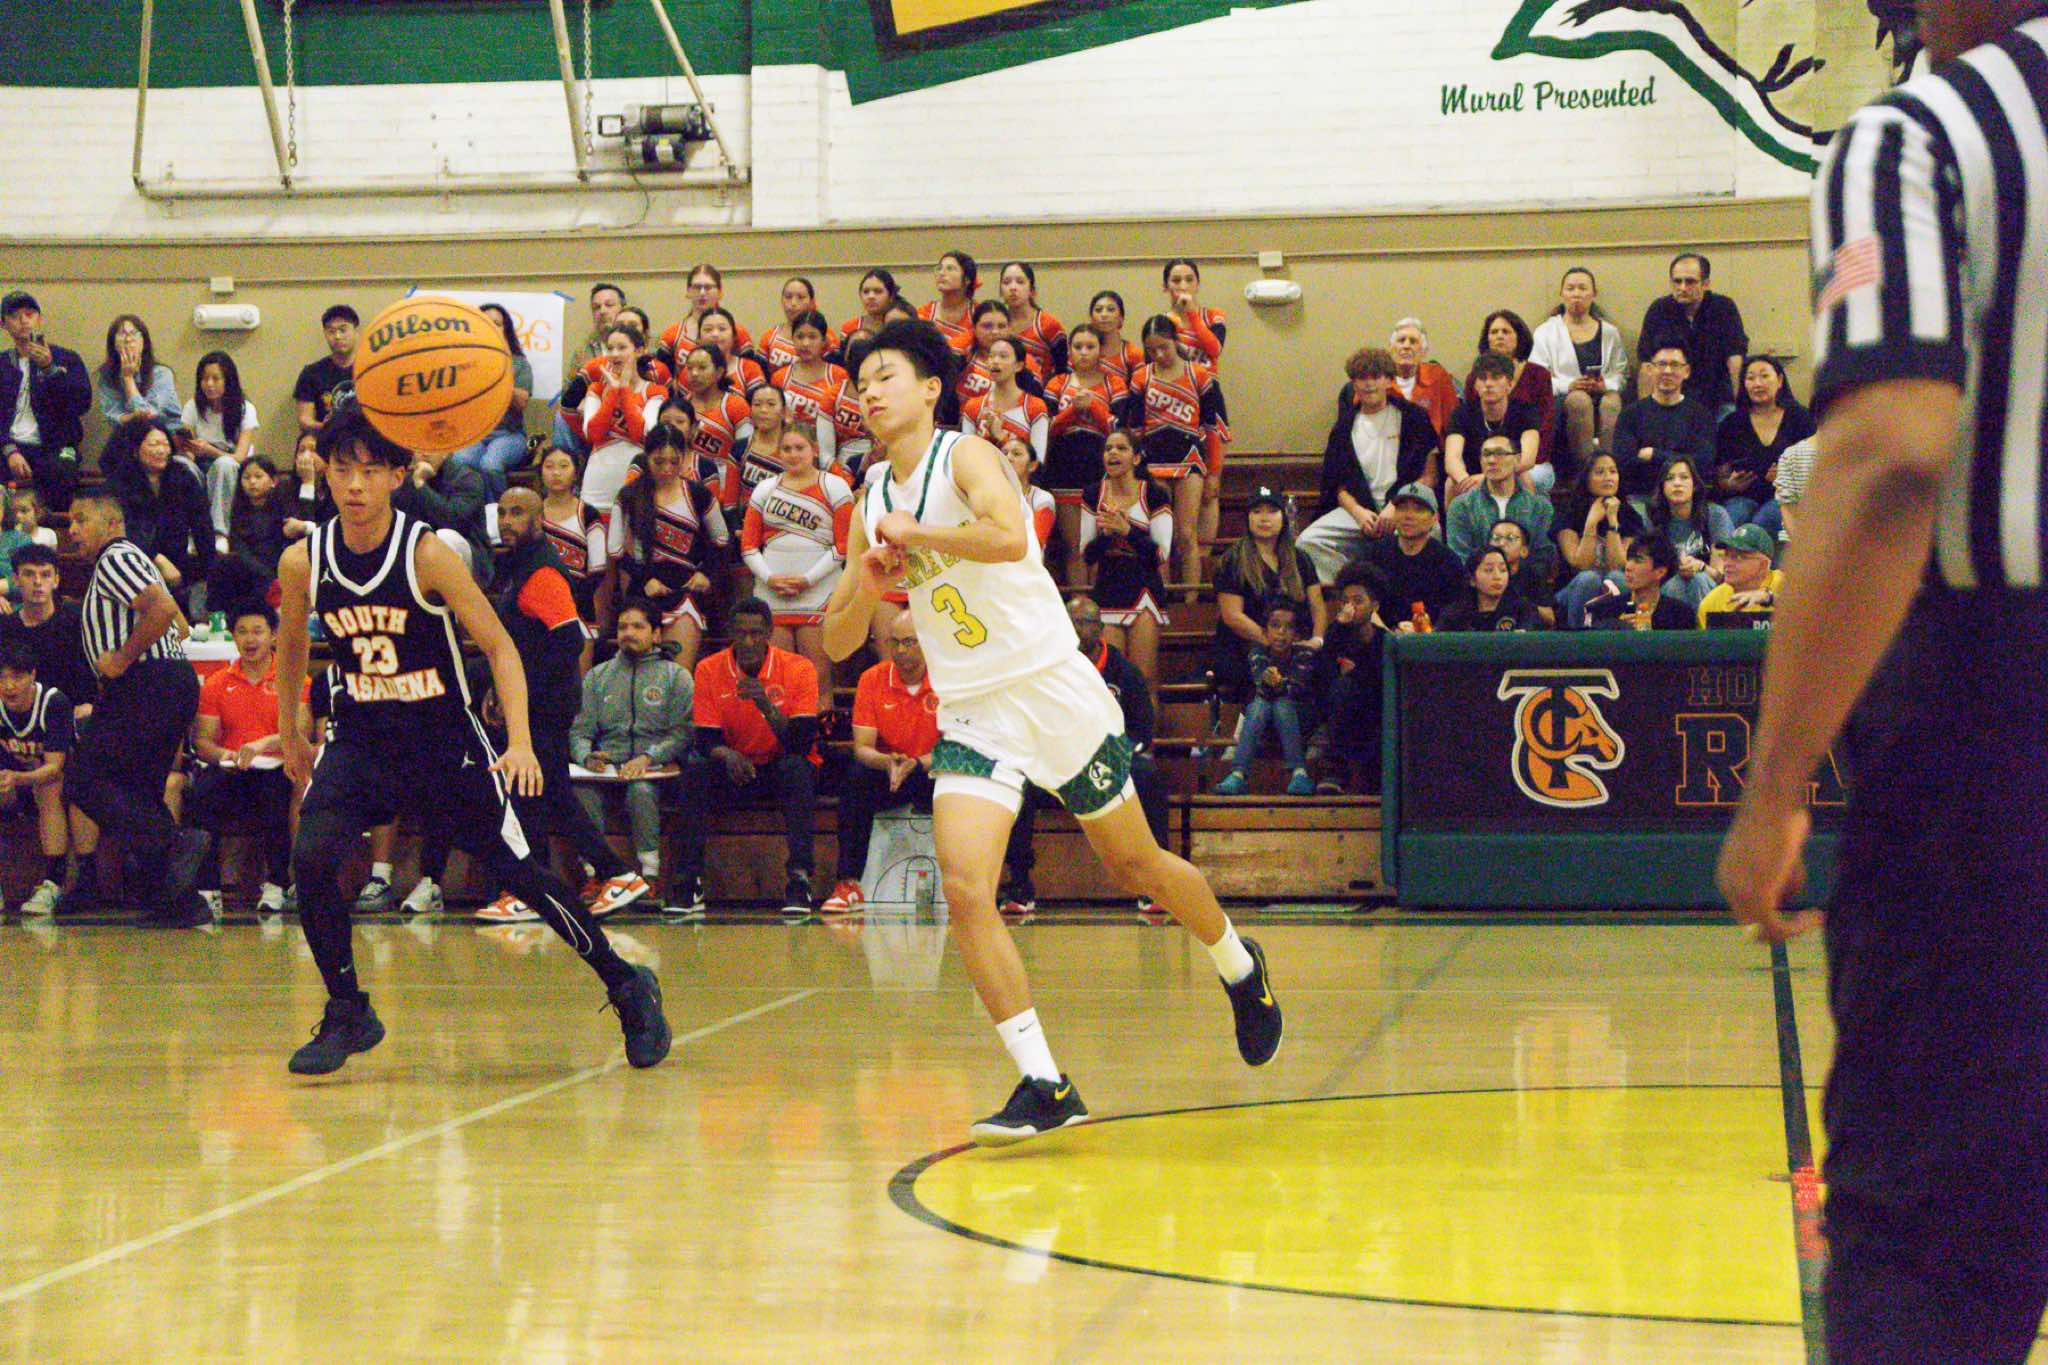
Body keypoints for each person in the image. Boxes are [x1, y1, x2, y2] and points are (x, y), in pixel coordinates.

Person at [1720, 11, 2048, 1359]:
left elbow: (1890, 458)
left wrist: (1775, 785)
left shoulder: (1920, 136)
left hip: (1997, 736)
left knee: (1930, 1256)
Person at [821, 319, 1282, 1144]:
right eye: (861, 383)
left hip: (1049, 686)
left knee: (1134, 863)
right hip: (973, 708)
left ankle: (1239, 964)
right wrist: (865, 574)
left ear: (930, 389)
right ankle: (1044, 1080)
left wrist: (921, 537)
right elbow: (835, 640)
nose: (871, 391)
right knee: (966, 886)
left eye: (886, 375)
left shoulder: (964, 456)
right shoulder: (870, 498)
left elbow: (1009, 538)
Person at [274, 403, 669, 1075]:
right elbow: (289, 647)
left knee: (521, 874)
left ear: (397, 474)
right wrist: (290, 730)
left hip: (441, 743)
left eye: (370, 470)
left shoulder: (427, 553)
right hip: (360, 738)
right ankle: (347, 1009)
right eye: (342, 469)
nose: (355, 484)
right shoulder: (302, 560)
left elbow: (501, 647)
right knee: (310, 858)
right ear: (325, 473)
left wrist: (519, 742)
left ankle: (628, 984)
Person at [463, 488, 652, 923]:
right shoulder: (517, 568)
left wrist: (518, 691)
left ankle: (604, 875)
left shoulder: (543, 572)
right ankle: (559, 887)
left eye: (517, 513)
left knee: (543, 792)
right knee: (538, 793)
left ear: (538, 520)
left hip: (546, 705)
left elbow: (569, 640)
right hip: (532, 702)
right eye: (502, 512)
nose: (507, 521)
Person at [61, 494, 206, 925]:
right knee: (138, 792)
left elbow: (161, 610)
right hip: (162, 682)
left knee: (84, 780)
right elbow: (179, 623)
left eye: (81, 520)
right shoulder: (133, 560)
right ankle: (180, 901)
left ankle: (175, 842)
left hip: (145, 683)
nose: (72, 530)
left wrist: (122, 659)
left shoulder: (115, 557)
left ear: (111, 523)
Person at [672, 597, 820, 916]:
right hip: (734, 768)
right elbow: (706, 740)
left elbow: (800, 743)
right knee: (695, 770)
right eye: (742, 634)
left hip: (778, 767)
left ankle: (799, 879)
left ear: (769, 633)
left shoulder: (799, 668)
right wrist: (727, 755)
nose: (749, 642)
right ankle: (689, 881)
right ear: (730, 633)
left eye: (756, 634)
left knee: (797, 769)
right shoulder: (708, 669)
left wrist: (765, 705)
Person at [571, 598, 693, 901]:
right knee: (581, 792)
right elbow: (580, 731)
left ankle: (649, 875)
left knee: (640, 790)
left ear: (656, 634)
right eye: (623, 627)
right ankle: (594, 875)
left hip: (655, 771)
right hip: (606, 770)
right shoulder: (597, 676)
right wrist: (587, 755)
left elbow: (682, 733)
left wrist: (649, 757)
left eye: (638, 627)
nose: (628, 633)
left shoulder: (676, 677)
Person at [823, 609, 941, 917]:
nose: (901, 650)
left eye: (909, 642)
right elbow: (863, 748)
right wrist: (889, 762)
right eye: (895, 642)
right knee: (855, 778)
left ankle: (980, 889)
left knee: (969, 778)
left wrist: (918, 763)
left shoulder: (948, 678)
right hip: (890, 771)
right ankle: (848, 885)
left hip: (932, 770)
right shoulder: (872, 679)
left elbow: (957, 748)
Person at [185, 602, 293, 918]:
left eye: (258, 631)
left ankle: (277, 883)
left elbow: (297, 733)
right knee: (199, 794)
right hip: (233, 769)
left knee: (276, 794)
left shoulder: (291, 678)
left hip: (277, 767)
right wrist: (226, 755)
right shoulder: (218, 682)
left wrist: (262, 746)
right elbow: (203, 742)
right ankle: (207, 889)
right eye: (242, 631)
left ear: (273, 636)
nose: (250, 639)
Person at [1298, 345, 1440, 583]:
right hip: (1359, 511)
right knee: (1307, 542)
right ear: (1353, 383)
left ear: (1389, 380)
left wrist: (1397, 506)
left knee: (1432, 532)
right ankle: (1358, 583)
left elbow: (1429, 476)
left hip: (1404, 505)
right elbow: (1338, 486)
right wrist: (1358, 513)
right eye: (1362, 378)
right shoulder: (1343, 428)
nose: (1369, 384)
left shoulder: (1413, 417)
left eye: (1376, 376)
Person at [741, 423, 853, 706]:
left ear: (814, 449)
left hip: (819, 592)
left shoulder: (835, 486)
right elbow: (749, 547)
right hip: (772, 593)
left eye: (799, 448)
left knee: (818, 675)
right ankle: (783, 734)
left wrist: (808, 579)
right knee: (778, 678)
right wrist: (769, 578)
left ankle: (819, 733)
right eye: (787, 449)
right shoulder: (765, 489)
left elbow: (843, 546)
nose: (793, 454)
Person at [612, 425, 730, 666]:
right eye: (659, 462)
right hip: (644, 592)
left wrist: (706, 573)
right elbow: (615, 550)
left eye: (674, 462)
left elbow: (722, 541)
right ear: (646, 457)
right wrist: (644, 580)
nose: (667, 469)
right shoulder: (628, 496)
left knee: (677, 673)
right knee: (642, 671)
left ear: (684, 458)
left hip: (685, 593)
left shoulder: (698, 495)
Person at [1128, 314, 1229, 591]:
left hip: (1190, 461)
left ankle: (1191, 601)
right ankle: (1162, 597)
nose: (1159, 355)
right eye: (1151, 350)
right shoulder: (1141, 377)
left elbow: (1212, 429)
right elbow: (1134, 429)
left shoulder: (1199, 376)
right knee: (1160, 535)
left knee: (1186, 535)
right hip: (1153, 462)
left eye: (1164, 347)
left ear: (1176, 341)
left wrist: (1214, 473)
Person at [1210, 486, 1326, 709]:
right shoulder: (1232, 560)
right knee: (1262, 688)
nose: (1264, 518)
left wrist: (1317, 640)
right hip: (1245, 648)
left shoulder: (1301, 559)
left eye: (1272, 511)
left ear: (1284, 517)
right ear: (1248, 518)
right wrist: (1272, 642)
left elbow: (1317, 606)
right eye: (1257, 512)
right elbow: (1232, 616)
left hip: (1293, 647)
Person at [1078, 428, 1171, 693]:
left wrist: (1128, 530)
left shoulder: (1155, 494)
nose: (1113, 453)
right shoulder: (1092, 494)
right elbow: (1087, 554)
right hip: (1108, 591)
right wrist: (1108, 535)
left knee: (1143, 681)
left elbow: (1159, 554)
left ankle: (1147, 723)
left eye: (1121, 448)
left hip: (1145, 593)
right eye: (1108, 449)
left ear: (1136, 458)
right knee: (1111, 682)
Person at [1043, 323, 1127, 578]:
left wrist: (1094, 408)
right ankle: (1080, 600)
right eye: (1078, 347)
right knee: (1074, 547)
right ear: (1069, 351)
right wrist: (1072, 411)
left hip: (1101, 469)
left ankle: (1098, 600)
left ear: (1101, 350)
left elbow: (1120, 430)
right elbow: (1045, 429)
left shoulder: (1114, 383)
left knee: (1097, 547)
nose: (1084, 352)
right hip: (1065, 470)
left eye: (1090, 347)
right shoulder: (1057, 383)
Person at [104, 418, 213, 614]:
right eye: (154, 444)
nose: (161, 450)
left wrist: (209, 572)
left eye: (165, 444)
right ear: (136, 449)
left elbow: (202, 526)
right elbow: (124, 529)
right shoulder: (121, 482)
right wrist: (157, 558)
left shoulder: (183, 477)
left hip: (177, 563)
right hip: (136, 564)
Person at [0, 638, 75, 918]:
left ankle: (53, 881)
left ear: (32, 675)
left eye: (17, 677)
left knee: (47, 786)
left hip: (68, 782)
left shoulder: (53, 702)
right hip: (16, 779)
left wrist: (16, 778)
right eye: (2, 679)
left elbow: (55, 767)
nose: (9, 686)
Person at [1212, 602, 1318, 797]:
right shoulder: (1257, 652)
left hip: (1299, 722)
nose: (1281, 632)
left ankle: (1299, 773)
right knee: (1260, 704)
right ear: (1265, 630)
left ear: (1296, 634)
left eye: (1288, 627)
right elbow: (1262, 687)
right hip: (1264, 722)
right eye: (1275, 625)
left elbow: (1294, 689)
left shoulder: (1305, 654)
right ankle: (1238, 775)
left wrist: (1274, 684)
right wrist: (1272, 685)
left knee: (1281, 703)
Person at [1530, 268, 1627, 475]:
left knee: (1612, 401)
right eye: (1570, 288)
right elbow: (1537, 379)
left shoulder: (1610, 332)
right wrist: (1569, 385)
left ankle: (1609, 469)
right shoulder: (1545, 332)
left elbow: (1621, 374)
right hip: (1563, 401)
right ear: (1562, 293)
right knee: (1579, 400)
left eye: (1583, 288)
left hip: (1602, 396)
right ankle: (1587, 472)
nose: (1576, 294)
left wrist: (1605, 385)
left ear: (1594, 293)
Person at [0, 291, 92, 512]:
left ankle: (55, 529)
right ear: (3, 324)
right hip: (9, 445)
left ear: (40, 319)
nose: (23, 320)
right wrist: (9, 449)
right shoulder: (2, 363)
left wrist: (50, 370)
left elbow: (81, 403)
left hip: (55, 447)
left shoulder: (67, 359)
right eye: (15, 316)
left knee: (60, 472)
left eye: (29, 314)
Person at [1307, 559, 1390, 794]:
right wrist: (1339, 628)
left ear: (1374, 606)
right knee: (1343, 688)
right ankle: (1334, 771)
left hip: (1375, 713)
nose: (1350, 607)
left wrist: (1357, 674)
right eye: (1345, 601)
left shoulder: (1384, 640)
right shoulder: (1336, 634)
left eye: (1358, 601)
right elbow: (1321, 676)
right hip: (1341, 711)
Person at [1636, 252, 1749, 414]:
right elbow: (1647, 365)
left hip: (1718, 399)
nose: (1682, 288)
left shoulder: (1724, 308)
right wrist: (1645, 414)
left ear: (1705, 284)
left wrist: (1742, 410)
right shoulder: (1659, 310)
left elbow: (1735, 361)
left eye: (1690, 282)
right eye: (1677, 281)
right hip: (1670, 399)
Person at [1714, 355, 1814, 537]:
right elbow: (1720, 473)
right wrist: (1729, 485)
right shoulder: (1731, 423)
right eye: (1750, 378)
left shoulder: (1800, 418)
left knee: (1765, 520)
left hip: (1784, 497)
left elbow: (1815, 465)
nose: (1757, 384)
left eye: (1764, 376)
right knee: (1733, 516)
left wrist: (1786, 478)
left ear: (1780, 380)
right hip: (1742, 496)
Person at [445, 303, 535, 498]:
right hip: (474, 435)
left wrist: (494, 376)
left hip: (509, 435)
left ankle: (499, 510)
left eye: (497, 323)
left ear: (505, 330)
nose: (491, 328)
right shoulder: (463, 363)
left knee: (490, 465)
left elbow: (521, 402)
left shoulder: (519, 363)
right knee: (459, 461)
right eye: (485, 323)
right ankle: (478, 511)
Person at [579, 320, 666, 516]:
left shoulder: (655, 391)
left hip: (636, 485)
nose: (615, 354)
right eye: (610, 348)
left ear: (639, 351)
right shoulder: (596, 389)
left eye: (622, 347)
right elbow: (592, 434)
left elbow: (642, 434)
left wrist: (624, 389)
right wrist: (612, 393)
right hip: (597, 486)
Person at [1612, 344, 1719, 501]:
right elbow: (1624, 464)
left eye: (1675, 365)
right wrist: (1681, 459)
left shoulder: (1701, 415)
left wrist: (1655, 455)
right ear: (1650, 369)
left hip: (1689, 500)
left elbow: (1703, 464)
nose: (1667, 371)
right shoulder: (1630, 414)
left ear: (1686, 371)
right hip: (1642, 496)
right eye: (1661, 364)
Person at [1552, 452, 1648, 627]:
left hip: (1613, 584)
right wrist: (1591, 522)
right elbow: (1581, 564)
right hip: (1571, 592)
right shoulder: (1568, 511)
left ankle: (1622, 636)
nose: (1608, 477)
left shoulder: (1630, 515)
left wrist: (1612, 521)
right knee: (1589, 579)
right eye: (1600, 472)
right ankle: (1577, 638)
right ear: (1586, 478)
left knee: (1617, 578)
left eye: (1613, 471)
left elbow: (1618, 564)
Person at [1, 544, 94, 716]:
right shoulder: (5, 627)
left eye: (45, 574)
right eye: (29, 574)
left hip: (70, 715)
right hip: (17, 718)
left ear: (56, 580)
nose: (37, 582)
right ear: (15, 580)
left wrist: (89, 705)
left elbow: (90, 677)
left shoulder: (76, 624)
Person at [1466, 310, 1556, 489]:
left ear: (1519, 338)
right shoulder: (1474, 378)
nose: (1499, 336)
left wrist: (1509, 467)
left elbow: (1545, 427)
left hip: (1531, 463)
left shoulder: (1538, 375)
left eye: (1506, 331)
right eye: (1494, 332)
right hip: (1487, 462)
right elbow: (1471, 425)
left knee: (1530, 479)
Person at [392, 425, 492, 581]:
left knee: (445, 537)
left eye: (431, 448)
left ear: (445, 452)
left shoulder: (467, 478)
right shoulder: (408, 480)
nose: (424, 453)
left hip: (470, 557)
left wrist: (421, 485)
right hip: (419, 553)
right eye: (419, 448)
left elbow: (452, 521)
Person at [1446, 435, 1556, 575]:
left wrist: (1515, 578)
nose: (1491, 460)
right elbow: (1459, 557)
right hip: (1476, 584)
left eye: (1500, 453)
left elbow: (1544, 557)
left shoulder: (1540, 506)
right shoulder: (1462, 506)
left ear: (1517, 459)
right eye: (1486, 454)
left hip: (1526, 584)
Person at [1361, 483, 1466, 630]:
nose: (1408, 516)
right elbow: (1363, 600)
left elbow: (1454, 610)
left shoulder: (1448, 561)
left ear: (1435, 518)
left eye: (1418, 510)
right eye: (1402, 508)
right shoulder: (1375, 555)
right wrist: (1386, 633)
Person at [180, 351, 260, 543]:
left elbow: (240, 457)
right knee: (181, 466)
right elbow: (186, 446)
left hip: (231, 464)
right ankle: (190, 533)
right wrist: (189, 451)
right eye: (204, 379)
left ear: (228, 380)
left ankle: (219, 533)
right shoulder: (193, 406)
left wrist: (211, 451)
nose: (209, 384)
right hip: (200, 463)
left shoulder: (245, 409)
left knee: (224, 464)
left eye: (215, 379)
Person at [1442, 353, 1541, 501]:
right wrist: (1465, 480)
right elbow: (1452, 459)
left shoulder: (1525, 411)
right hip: (1471, 475)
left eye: (1495, 377)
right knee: (1451, 483)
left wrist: (1487, 478)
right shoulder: (1461, 413)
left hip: (1510, 472)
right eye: (1482, 378)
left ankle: (1526, 517)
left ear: (1510, 384)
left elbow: (1527, 459)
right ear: (1475, 385)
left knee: (1525, 478)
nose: (1488, 384)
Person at [205, 455, 291, 618]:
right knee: (223, 564)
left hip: (277, 567)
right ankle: (218, 618)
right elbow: (239, 546)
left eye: (258, 476)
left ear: (273, 480)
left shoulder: (283, 506)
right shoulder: (237, 509)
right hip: (249, 569)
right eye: (246, 477)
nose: (252, 482)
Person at [1646, 454, 1732, 611]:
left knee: (1698, 580)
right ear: (1662, 487)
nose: (1677, 483)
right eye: (1670, 478)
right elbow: (1650, 578)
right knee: (1675, 585)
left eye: (1684, 477)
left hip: (1711, 588)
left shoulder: (1715, 515)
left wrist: (1701, 567)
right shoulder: (1654, 521)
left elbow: (1723, 577)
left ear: (1695, 485)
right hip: (1669, 590)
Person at [960, 335, 1049, 466]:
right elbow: (966, 458)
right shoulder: (973, 406)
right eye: (991, 356)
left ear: (1018, 366)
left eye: (1003, 356)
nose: (995, 361)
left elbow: (1036, 463)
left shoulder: (1035, 407)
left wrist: (1000, 437)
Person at [93, 314, 184, 436]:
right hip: (129, 436)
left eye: (133, 333)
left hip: (167, 436)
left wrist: (128, 378)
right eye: (122, 334)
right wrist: (134, 417)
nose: (128, 339)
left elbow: (149, 416)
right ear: (113, 343)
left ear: (144, 342)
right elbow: (113, 417)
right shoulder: (106, 375)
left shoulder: (162, 374)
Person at [1586, 534, 1697, 630]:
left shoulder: (1681, 615)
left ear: (1660, 572)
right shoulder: (1605, 609)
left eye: (1638, 561)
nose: (1628, 567)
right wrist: (1616, 627)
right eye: (1629, 559)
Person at [1440, 545, 1546, 632]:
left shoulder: (1523, 609)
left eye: (1503, 570)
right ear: (1472, 579)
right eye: (1489, 570)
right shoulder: (1455, 615)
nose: (1497, 576)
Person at [1386, 318, 1459, 438]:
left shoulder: (1438, 376)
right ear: (1391, 348)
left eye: (1413, 341)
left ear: (1424, 351)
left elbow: (1453, 425)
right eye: (1401, 340)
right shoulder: (1379, 379)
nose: (1406, 346)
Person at [1695, 524, 1781, 625]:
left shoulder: (1786, 584)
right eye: (1725, 556)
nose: (1727, 563)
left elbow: (1798, 606)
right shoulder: (1712, 604)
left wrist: (1770, 598)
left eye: (1738, 557)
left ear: (1763, 565)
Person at [294, 304, 359, 435]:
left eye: (343, 330)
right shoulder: (311, 373)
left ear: (356, 332)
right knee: (307, 444)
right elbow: (304, 419)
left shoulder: (372, 369)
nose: (338, 336)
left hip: (365, 437)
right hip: (327, 437)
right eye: (331, 331)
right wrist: (326, 427)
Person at [996, 262, 1067, 381]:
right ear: (1000, 291)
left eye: (1020, 282)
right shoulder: (996, 324)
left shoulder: (1049, 325)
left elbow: (1062, 372)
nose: (1013, 288)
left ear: (1032, 290)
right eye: (1006, 282)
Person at [1488, 518, 1555, 627]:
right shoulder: (1479, 574)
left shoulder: (1533, 575)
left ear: (1524, 551)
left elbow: (1550, 617)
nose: (1501, 544)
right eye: (1496, 538)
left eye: (1510, 538)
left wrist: (1522, 605)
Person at [1162, 258, 1226, 367]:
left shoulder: (1213, 315)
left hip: (1207, 377)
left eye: (1189, 280)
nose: (1183, 287)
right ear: (1165, 286)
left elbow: (1215, 350)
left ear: (1197, 285)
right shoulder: (1161, 323)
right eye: (1176, 281)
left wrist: (1192, 313)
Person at [918, 250, 979, 354]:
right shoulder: (925, 312)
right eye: (939, 268)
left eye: (950, 269)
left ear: (967, 279)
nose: (941, 273)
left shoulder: (978, 314)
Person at [1086, 290, 1146, 388]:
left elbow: (1139, 392)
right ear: (1091, 319)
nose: (1104, 314)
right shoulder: (1082, 349)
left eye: (1111, 309)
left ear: (1121, 318)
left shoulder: (1133, 354)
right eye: (1098, 310)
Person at [839, 267, 903, 354]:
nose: (871, 296)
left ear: (891, 296)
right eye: (866, 292)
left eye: (878, 291)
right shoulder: (849, 327)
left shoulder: (900, 324)